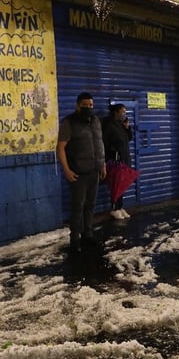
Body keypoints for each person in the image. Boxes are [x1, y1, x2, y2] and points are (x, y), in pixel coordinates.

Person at [57, 92, 106, 252]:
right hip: (78, 172)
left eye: (91, 105)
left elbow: (100, 144)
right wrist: (67, 170)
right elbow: (61, 148)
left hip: (94, 170)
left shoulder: (96, 121)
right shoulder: (69, 122)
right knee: (78, 205)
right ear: (77, 105)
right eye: (85, 105)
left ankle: (88, 234)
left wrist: (102, 164)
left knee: (90, 204)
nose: (88, 108)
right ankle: (75, 238)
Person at [101, 103, 134, 220]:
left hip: (124, 158)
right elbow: (103, 142)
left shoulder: (121, 125)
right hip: (114, 160)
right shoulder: (109, 126)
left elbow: (129, 138)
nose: (124, 114)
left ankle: (120, 207)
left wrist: (127, 128)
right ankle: (114, 208)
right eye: (122, 112)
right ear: (115, 112)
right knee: (115, 184)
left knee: (122, 184)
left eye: (125, 112)